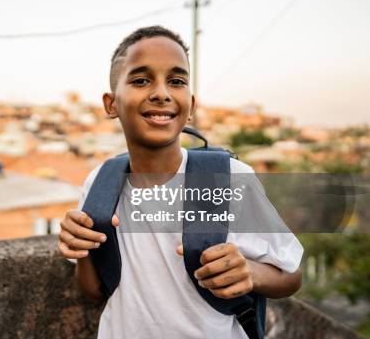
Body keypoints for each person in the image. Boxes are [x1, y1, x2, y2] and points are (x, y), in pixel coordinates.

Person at [57, 26, 303, 338]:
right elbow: (93, 292)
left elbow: (291, 276)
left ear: (190, 106)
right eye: (141, 80)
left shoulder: (230, 180)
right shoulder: (100, 182)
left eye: (176, 81)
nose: (161, 93)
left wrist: (251, 273)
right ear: (111, 104)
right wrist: (81, 250)